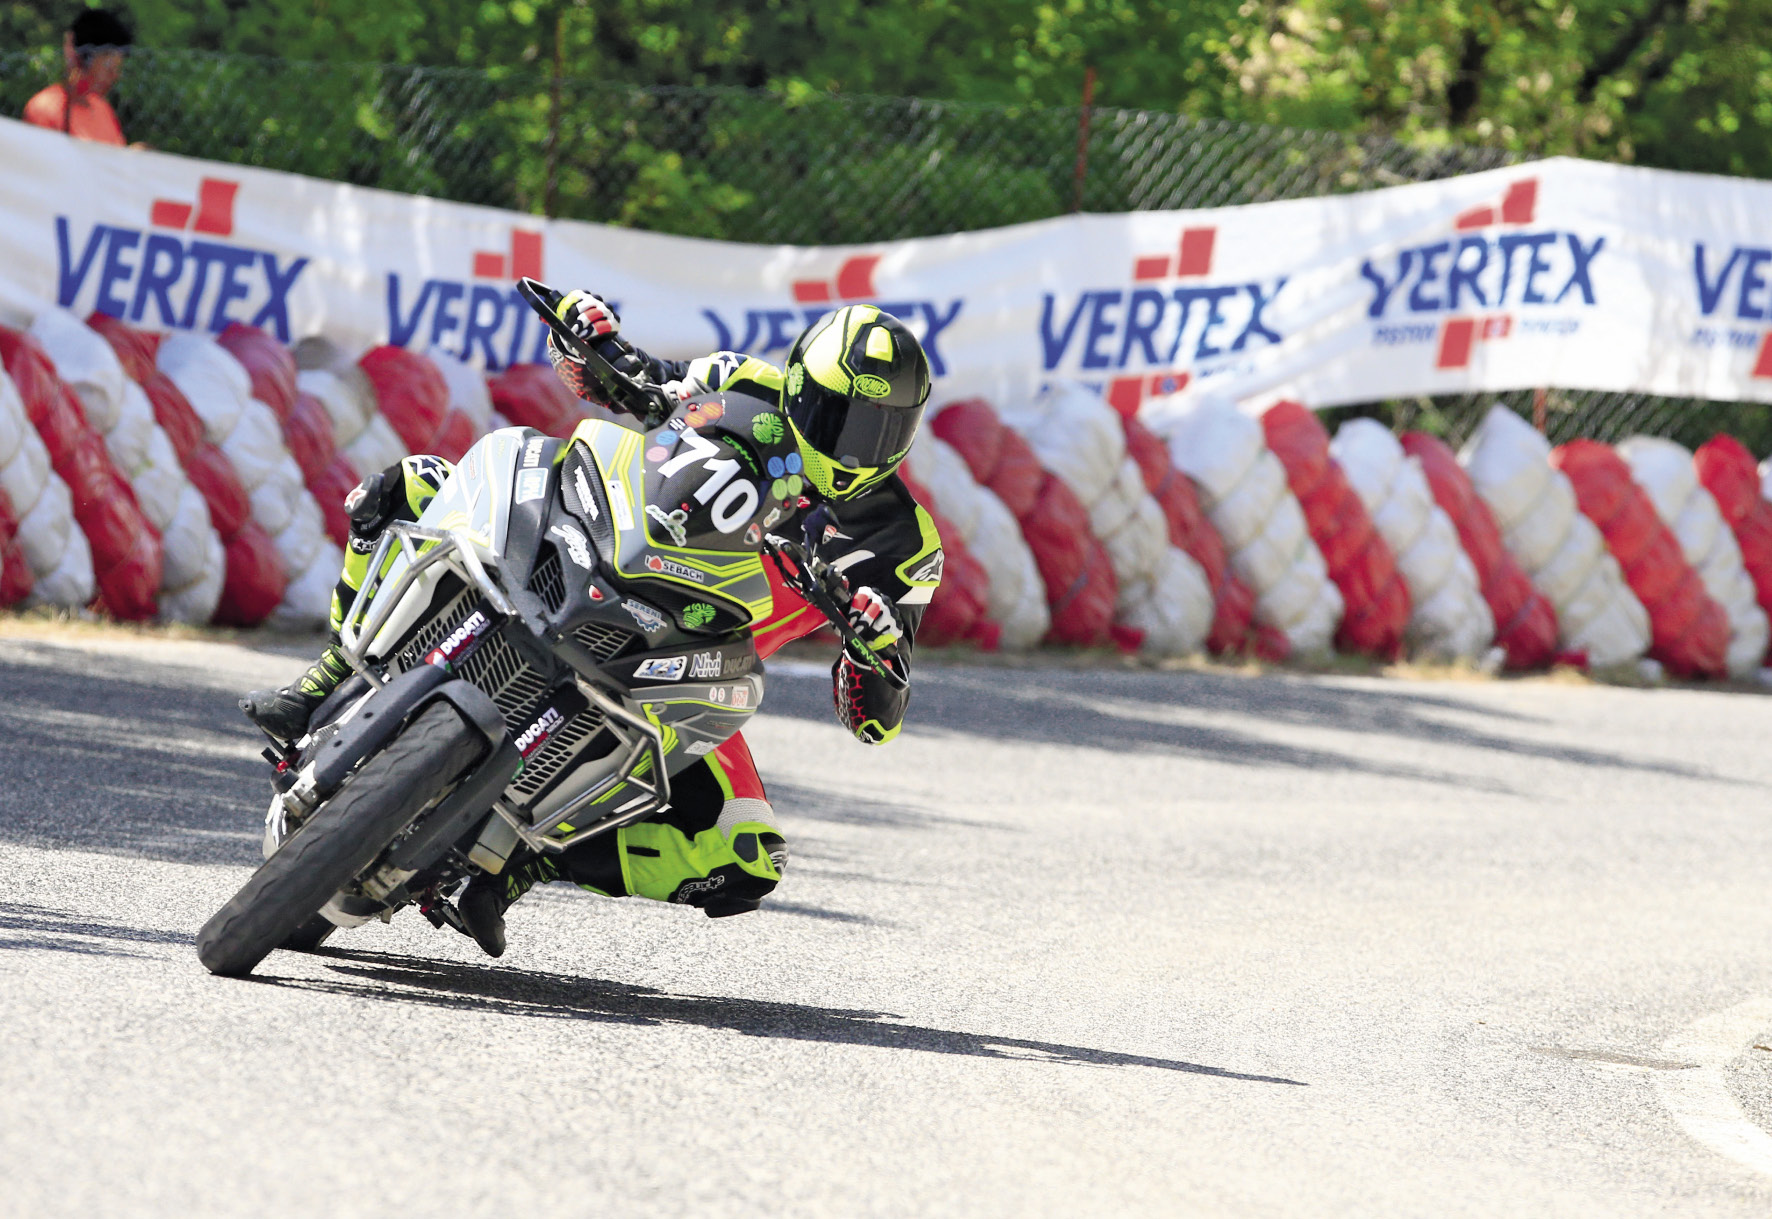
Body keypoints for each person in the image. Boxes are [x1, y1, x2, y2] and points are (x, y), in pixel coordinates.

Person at [240, 295, 944, 956]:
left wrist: (875, 644)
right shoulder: (739, 381)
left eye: (876, 430)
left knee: (746, 854)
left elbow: (876, 717)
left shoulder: (907, 545)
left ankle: (518, 865)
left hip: (699, 662)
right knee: (411, 484)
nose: (851, 445)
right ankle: (323, 679)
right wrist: (589, 332)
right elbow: (626, 383)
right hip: (616, 550)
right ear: (799, 383)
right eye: (833, 415)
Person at [22, 9, 133, 147]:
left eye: (117, 69)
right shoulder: (46, 109)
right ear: (84, 57)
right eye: (108, 67)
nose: (114, 76)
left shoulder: (103, 109)